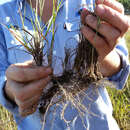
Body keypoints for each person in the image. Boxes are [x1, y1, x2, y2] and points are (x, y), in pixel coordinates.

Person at [0, 0, 130, 129]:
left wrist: (105, 56)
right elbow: (2, 77)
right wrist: (11, 90)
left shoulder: (91, 3)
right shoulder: (3, 14)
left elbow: (120, 71)